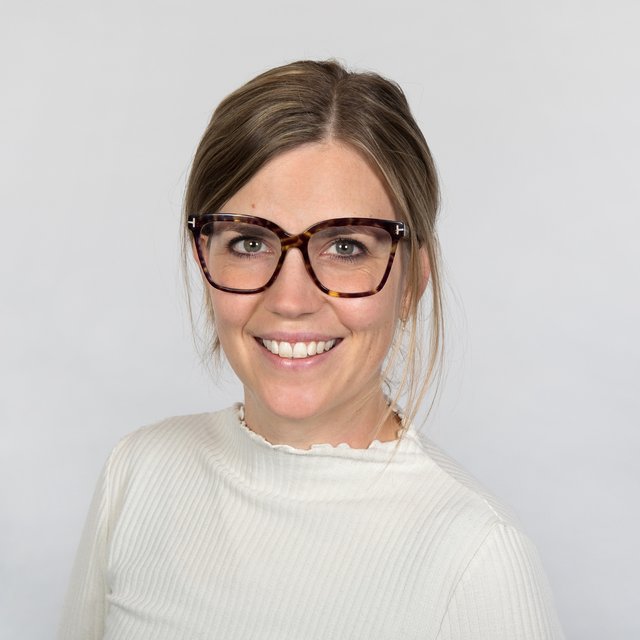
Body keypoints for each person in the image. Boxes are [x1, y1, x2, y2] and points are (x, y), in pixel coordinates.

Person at [58, 60, 565, 639]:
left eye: (346, 247)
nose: (291, 299)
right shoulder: (137, 475)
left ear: (412, 284)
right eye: (249, 242)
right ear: (203, 259)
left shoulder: (479, 559)